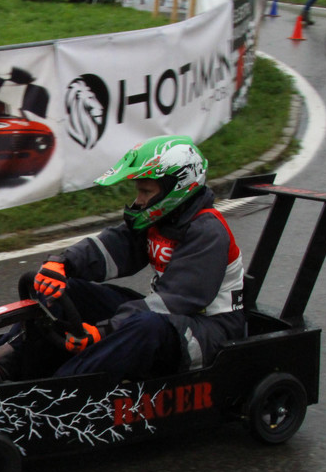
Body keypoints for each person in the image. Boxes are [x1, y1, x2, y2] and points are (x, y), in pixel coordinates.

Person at [23, 135, 246, 381]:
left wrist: (105, 330)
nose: (139, 200)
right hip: (170, 319)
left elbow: (176, 301)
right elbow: (111, 247)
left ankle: (56, 392)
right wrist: (63, 263)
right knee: (68, 290)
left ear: (176, 187)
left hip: (211, 333)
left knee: (145, 326)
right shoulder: (161, 220)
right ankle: (8, 367)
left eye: (145, 192)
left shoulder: (208, 231)